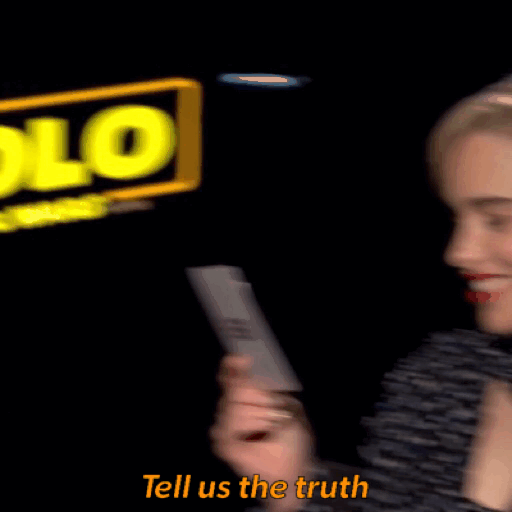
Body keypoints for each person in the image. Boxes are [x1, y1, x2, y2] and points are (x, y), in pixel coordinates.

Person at [209, 73, 512, 511]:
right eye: (457, 218)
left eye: (498, 220)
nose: (459, 252)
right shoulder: (440, 380)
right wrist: (291, 484)